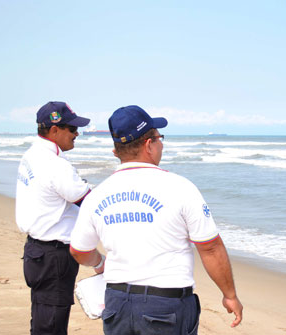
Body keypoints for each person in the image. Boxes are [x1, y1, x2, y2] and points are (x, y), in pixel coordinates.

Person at [70, 105, 243, 334]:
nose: (161, 144)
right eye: (159, 138)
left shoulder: (97, 195)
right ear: (149, 145)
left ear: (116, 152)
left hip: (116, 302)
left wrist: (101, 263)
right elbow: (209, 247)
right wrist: (229, 295)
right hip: (166, 305)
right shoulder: (180, 188)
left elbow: (79, 251)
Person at [16, 101, 93, 334]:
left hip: (37, 251)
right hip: (54, 257)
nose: (77, 133)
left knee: (42, 319)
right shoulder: (55, 165)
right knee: (51, 325)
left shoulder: (31, 155)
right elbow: (89, 203)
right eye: (72, 128)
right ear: (54, 130)